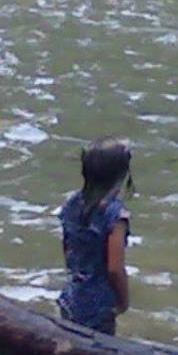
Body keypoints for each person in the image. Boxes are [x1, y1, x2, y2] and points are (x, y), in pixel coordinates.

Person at [57, 138, 132, 335]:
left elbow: (68, 249)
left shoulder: (72, 203)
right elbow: (115, 269)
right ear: (121, 175)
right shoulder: (116, 215)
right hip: (99, 306)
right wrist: (123, 302)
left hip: (71, 298)